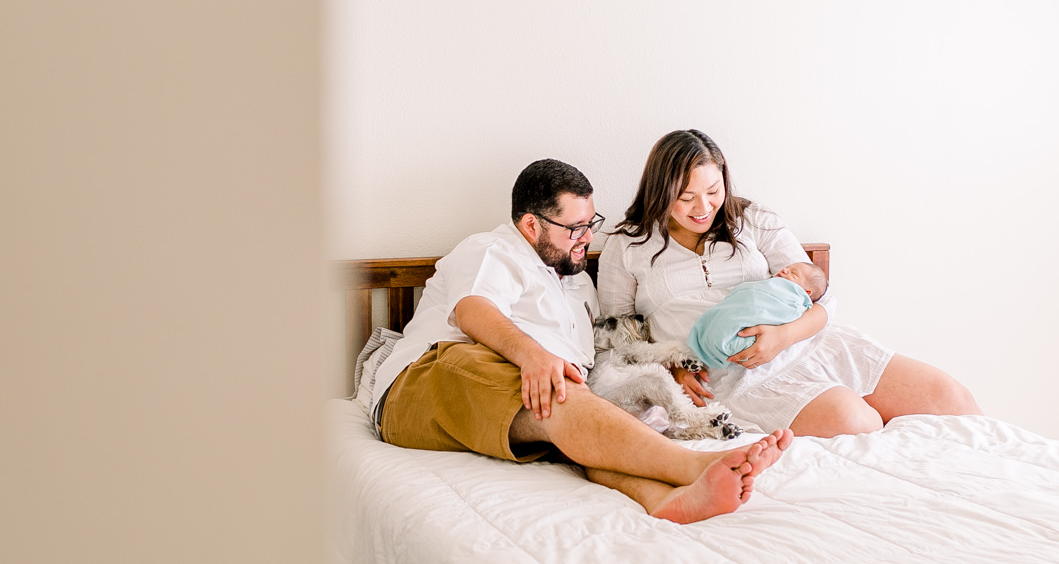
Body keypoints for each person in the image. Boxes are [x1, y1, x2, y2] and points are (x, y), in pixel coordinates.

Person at [369, 158, 793, 524]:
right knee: (556, 389)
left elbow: (609, 359)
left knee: (592, 423)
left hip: (523, 395)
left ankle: (664, 498)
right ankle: (695, 466)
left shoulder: (578, 285)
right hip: (431, 378)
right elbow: (473, 309)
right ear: (531, 224)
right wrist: (533, 355)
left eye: (590, 223)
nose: (587, 237)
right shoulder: (493, 250)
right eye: (573, 228)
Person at [598, 130, 982, 438]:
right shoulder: (627, 246)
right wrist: (670, 370)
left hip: (804, 342)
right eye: (686, 198)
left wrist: (783, 337)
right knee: (858, 423)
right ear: (660, 193)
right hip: (732, 374)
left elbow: (823, 299)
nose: (703, 208)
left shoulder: (754, 220)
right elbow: (617, 341)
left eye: (713, 192)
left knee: (952, 400)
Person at [687, 262, 827, 370]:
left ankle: (728, 346)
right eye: (787, 268)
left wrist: (782, 334)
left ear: (806, 292)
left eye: (794, 274)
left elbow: (822, 308)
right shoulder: (765, 284)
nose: (785, 270)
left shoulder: (797, 299)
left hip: (757, 338)